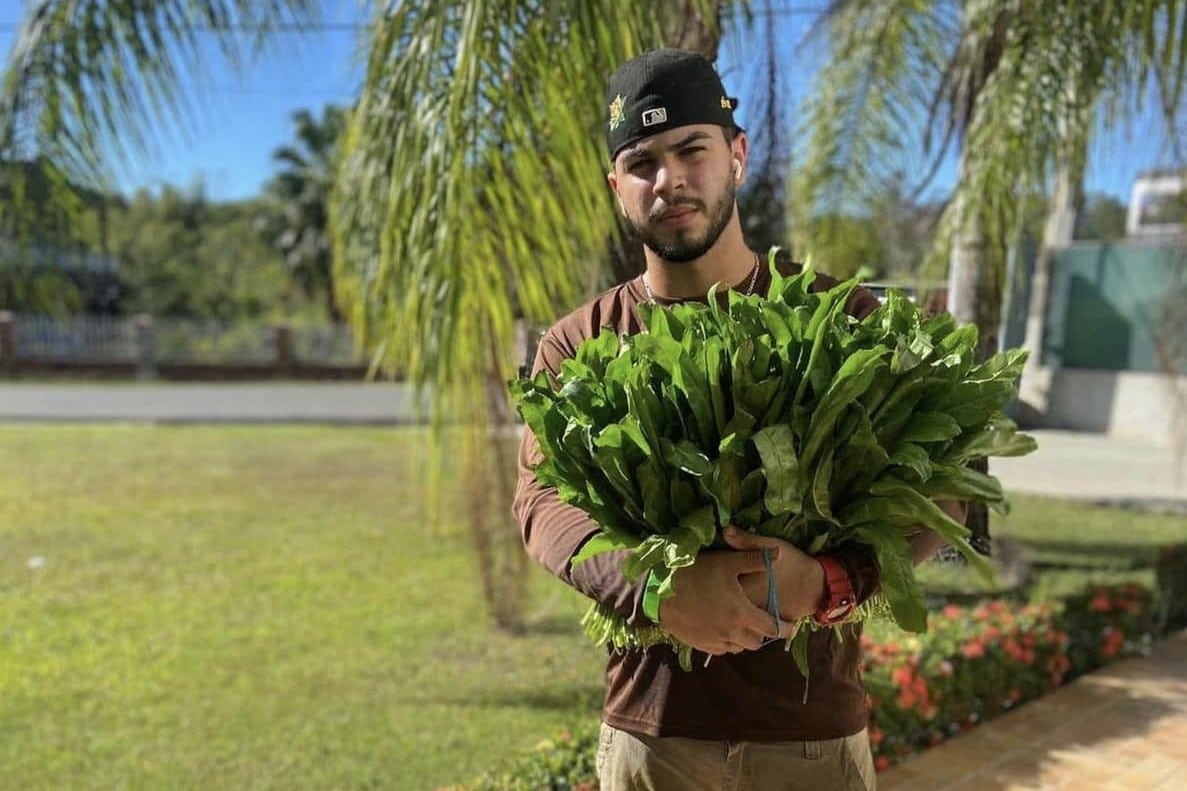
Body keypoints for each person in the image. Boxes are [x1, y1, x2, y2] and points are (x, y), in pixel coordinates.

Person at [512, 48, 962, 791]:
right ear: (615, 186)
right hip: (652, 735)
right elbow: (540, 503)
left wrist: (829, 580)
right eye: (641, 162)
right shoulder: (580, 341)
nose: (670, 180)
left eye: (692, 149)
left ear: (737, 154)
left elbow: (941, 495)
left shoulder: (842, 317)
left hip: (811, 739)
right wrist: (656, 586)